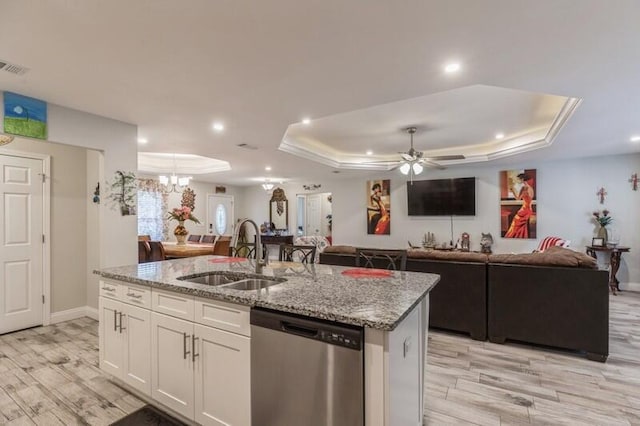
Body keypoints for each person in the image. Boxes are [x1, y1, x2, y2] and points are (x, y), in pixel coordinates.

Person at [505, 173, 534, 238]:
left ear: (522, 179)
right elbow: (529, 199)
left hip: (525, 209)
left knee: (515, 221)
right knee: (520, 223)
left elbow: (518, 198)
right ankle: (521, 236)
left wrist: (512, 190)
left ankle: (512, 237)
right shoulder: (531, 188)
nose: (518, 181)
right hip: (529, 209)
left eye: (518, 179)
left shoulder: (524, 188)